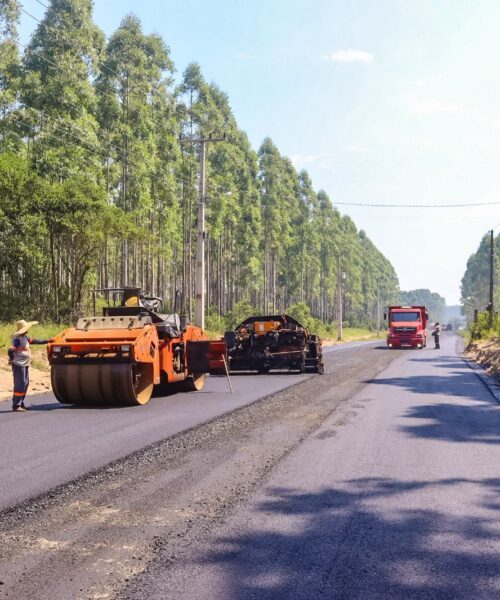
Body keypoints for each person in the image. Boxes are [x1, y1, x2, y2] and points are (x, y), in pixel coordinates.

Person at [8, 320, 50, 412]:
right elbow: (11, 350)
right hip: (18, 364)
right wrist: (11, 359)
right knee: (20, 383)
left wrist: (48, 340)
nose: (26, 331)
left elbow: (35, 341)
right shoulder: (17, 339)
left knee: (25, 383)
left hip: (25, 364)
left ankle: (21, 403)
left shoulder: (26, 337)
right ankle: (16, 405)